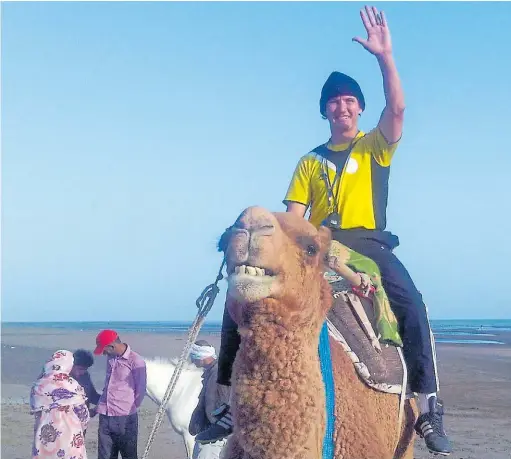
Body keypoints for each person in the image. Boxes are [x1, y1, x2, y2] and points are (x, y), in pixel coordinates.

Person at [200, 5, 452, 455]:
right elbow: (295, 216)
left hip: (368, 245)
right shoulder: (309, 162)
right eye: (334, 101)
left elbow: (398, 108)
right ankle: (223, 399)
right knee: (242, 297)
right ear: (325, 111)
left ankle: (428, 404)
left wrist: (384, 57)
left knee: (411, 304)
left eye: (350, 100)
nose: (343, 106)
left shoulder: (374, 147)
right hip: (317, 245)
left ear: (359, 108)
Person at [93, 329, 147, 459]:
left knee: (128, 455)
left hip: (125, 417)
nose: (103, 353)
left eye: (104, 349)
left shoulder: (136, 361)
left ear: (112, 346)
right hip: (105, 415)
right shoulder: (111, 358)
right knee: (105, 456)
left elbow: (141, 390)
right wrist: (98, 407)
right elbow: (108, 386)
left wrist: (126, 406)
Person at [30, 350, 90, 459]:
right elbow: (83, 415)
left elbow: (35, 408)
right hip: (70, 434)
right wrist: (81, 427)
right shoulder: (72, 384)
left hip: (44, 436)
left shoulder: (38, 385)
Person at [189, 340, 230, 458]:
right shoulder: (215, 371)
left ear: (201, 357)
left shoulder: (216, 374)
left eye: (193, 357)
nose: (192, 361)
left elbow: (218, 404)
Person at [70, 349, 102, 414]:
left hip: (81, 419)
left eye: (85, 369)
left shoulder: (85, 376)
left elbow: (92, 395)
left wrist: (107, 402)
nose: (82, 372)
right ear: (71, 365)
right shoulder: (61, 379)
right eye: (80, 369)